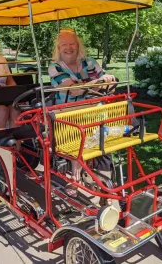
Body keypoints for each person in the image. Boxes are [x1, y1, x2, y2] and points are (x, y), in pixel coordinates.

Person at [48, 28, 115, 198]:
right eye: (64, 44)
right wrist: (98, 82)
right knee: (77, 140)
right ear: (58, 48)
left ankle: (105, 184)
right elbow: (74, 90)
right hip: (68, 112)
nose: (68, 47)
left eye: (72, 43)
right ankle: (75, 178)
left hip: (94, 109)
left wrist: (108, 79)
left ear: (78, 46)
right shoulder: (55, 67)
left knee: (104, 142)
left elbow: (107, 84)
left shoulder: (89, 62)